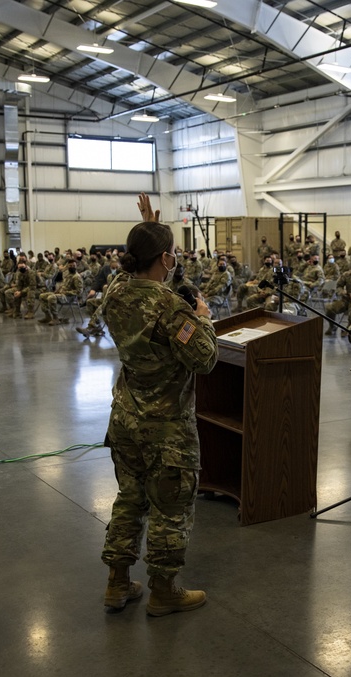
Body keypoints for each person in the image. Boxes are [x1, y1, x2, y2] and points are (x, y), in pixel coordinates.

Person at [101, 196, 218, 617]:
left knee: (129, 500)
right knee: (171, 508)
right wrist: (202, 316)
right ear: (167, 259)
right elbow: (204, 360)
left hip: (126, 420)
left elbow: (128, 277)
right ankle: (163, 591)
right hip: (167, 428)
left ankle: (117, 584)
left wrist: (148, 228)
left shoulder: (115, 296)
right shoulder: (174, 309)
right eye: (171, 257)